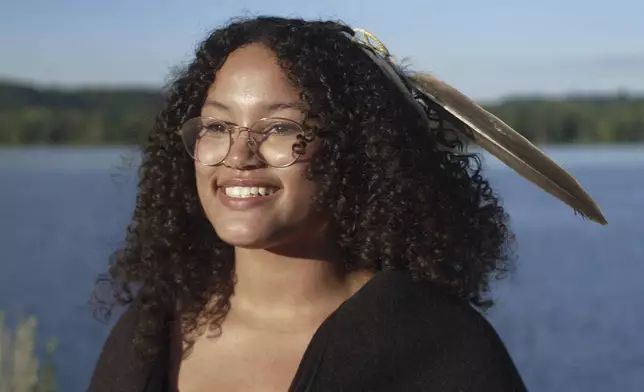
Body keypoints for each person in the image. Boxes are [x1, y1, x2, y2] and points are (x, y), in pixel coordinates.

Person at [88, 15, 604, 392]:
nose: (238, 156)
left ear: (357, 153)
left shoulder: (439, 351)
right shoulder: (153, 329)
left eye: (281, 128)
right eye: (218, 126)